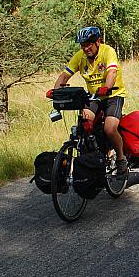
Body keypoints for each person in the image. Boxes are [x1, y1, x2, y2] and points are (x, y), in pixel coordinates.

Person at [52, 26, 129, 177]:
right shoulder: (79, 56)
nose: (85, 48)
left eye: (88, 44)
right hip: (94, 97)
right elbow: (64, 76)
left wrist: (107, 87)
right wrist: (56, 93)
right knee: (85, 123)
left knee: (110, 128)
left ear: (97, 42)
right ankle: (93, 154)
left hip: (113, 95)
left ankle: (121, 158)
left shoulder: (108, 51)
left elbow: (112, 72)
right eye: (83, 45)